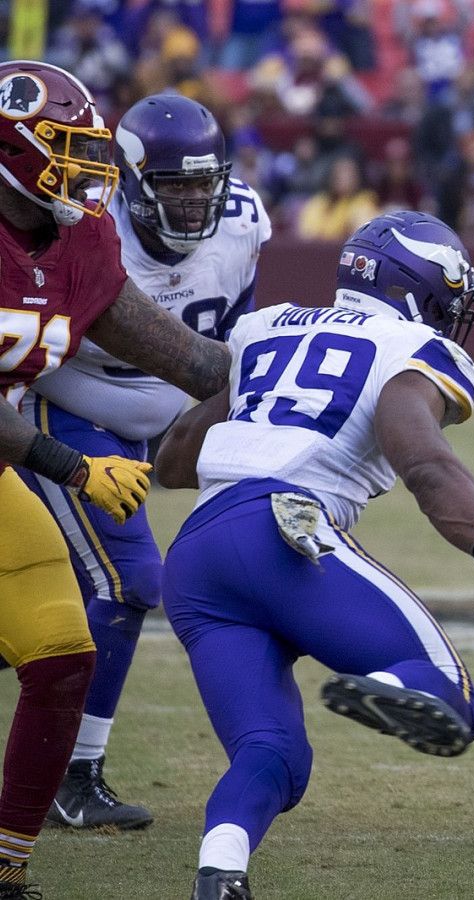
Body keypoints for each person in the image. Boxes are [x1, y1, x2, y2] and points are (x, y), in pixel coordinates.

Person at [151, 211, 474, 900]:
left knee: (275, 756)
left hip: (199, 555)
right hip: (284, 536)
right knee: (450, 698)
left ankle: (221, 872)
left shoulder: (268, 326)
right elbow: (425, 464)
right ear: (421, 293)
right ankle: (389, 682)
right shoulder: (412, 346)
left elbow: (175, 458)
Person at [0, 60, 232, 898]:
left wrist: (286, 378)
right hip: (26, 451)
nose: (85, 169)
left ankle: (8, 865)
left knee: (62, 655)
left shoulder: (81, 234)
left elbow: (180, 352)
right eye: (61, 148)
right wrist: (73, 466)